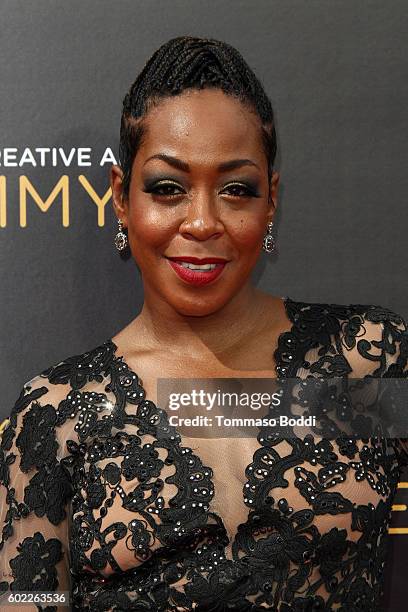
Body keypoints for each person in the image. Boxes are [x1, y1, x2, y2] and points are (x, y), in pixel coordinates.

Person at [0, 35, 407, 612]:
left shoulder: (367, 357)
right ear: (121, 198)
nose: (202, 221)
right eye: (168, 188)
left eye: (236, 189)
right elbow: (29, 598)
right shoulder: (55, 413)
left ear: (270, 203)